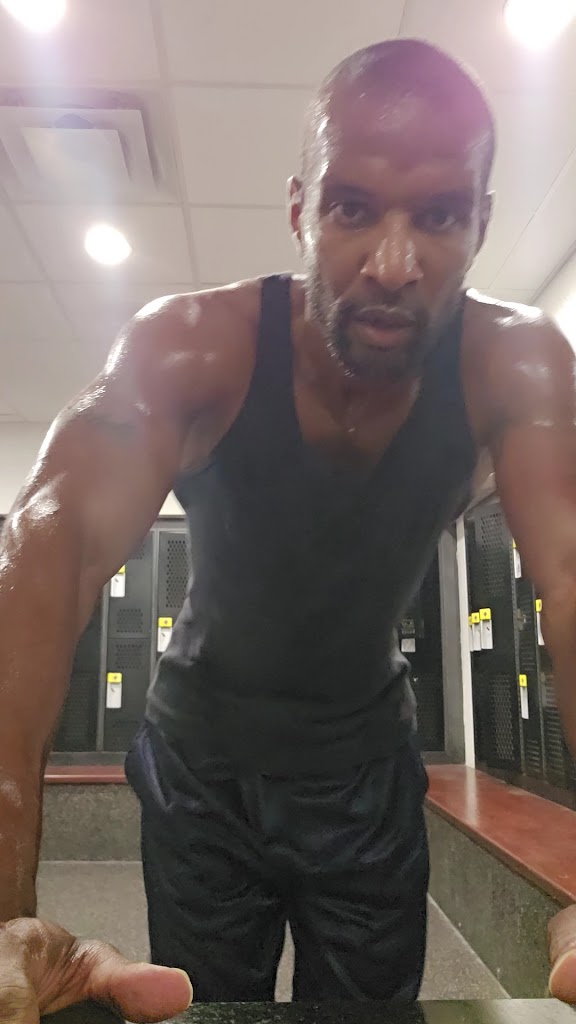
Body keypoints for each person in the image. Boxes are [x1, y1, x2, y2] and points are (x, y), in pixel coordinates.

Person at [1, 36, 576, 1019]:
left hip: (366, 771)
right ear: (302, 209)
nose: (393, 264)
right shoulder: (193, 349)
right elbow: (42, 553)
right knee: (205, 1007)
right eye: (353, 208)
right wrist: (4, 912)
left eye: (439, 216)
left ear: (480, 223)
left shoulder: (512, 366)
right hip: (201, 768)